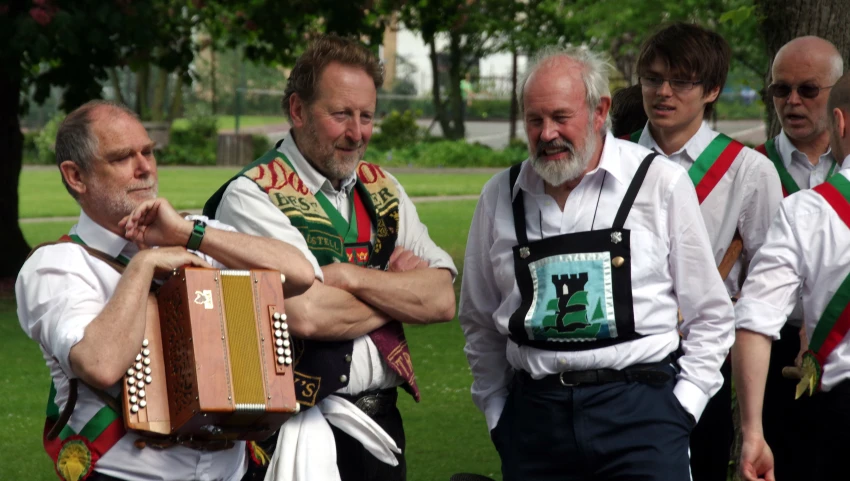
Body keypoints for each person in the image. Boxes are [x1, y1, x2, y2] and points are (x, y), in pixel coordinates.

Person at [458, 45, 735, 481]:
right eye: (535, 120)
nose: (547, 133)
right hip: (535, 423)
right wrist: (498, 414)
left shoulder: (658, 183)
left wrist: (681, 411)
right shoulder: (499, 196)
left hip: (641, 416)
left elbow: (711, 315)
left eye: (560, 117)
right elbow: (477, 319)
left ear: (600, 110)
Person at [16, 100, 316, 481]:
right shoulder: (56, 266)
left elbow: (301, 275)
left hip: (235, 472)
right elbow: (100, 365)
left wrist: (190, 234)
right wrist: (142, 266)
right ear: (76, 176)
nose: (145, 168)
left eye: (148, 152)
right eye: (123, 157)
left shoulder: (193, 233)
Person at [203, 35, 457, 481]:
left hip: (380, 423)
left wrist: (346, 278)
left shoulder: (385, 189)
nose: (356, 133)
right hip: (290, 434)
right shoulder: (251, 195)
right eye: (340, 114)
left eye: (366, 117)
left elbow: (441, 300)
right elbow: (309, 314)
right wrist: (394, 289)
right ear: (297, 110)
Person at [632, 23, 782, 480]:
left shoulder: (748, 172)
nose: (663, 92)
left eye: (681, 81)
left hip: (700, 363)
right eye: (653, 78)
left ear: (712, 90)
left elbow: (770, 282)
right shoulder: (610, 163)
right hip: (622, 365)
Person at [734, 71, 850, 481]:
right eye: (781, 89)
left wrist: (752, 433)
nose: (793, 100)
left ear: (840, 121)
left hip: (838, 413)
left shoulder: (807, 210)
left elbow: (754, 320)